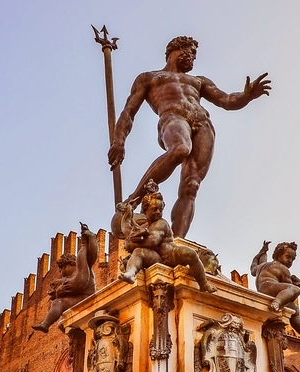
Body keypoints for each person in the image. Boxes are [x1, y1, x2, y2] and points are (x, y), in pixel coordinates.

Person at [107, 36, 271, 238]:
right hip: (172, 118)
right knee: (180, 149)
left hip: (203, 123)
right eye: (191, 51)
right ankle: (134, 199)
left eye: (195, 54)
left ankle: (176, 242)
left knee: (191, 185)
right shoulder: (149, 78)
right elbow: (128, 112)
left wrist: (247, 96)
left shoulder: (199, 82)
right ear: (177, 49)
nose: (193, 57)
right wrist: (119, 141)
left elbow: (227, 100)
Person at [112, 181, 215, 293]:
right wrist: (127, 214)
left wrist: (132, 242)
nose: (158, 212)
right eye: (154, 209)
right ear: (145, 210)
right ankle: (130, 273)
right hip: (158, 258)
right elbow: (127, 230)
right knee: (138, 252)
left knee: (190, 253)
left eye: (160, 209)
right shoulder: (145, 226)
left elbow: (152, 241)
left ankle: (203, 283)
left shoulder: (161, 223)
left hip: (172, 255)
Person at [32, 223, 98, 333]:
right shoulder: (67, 280)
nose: (60, 272)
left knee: (59, 303)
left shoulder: (84, 266)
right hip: (79, 300)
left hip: (88, 298)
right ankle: (45, 324)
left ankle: (45, 324)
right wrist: (58, 292)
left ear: (69, 264)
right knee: (58, 302)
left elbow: (93, 254)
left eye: (61, 269)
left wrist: (90, 237)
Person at [251, 241, 300, 345]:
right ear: (278, 255)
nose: (290, 261)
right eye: (288, 257)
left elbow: (253, 266)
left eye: (292, 259)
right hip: (271, 288)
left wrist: (262, 252)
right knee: (296, 290)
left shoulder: (262, 265)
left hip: (262, 289)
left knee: (294, 310)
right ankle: (277, 302)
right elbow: (290, 288)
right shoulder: (283, 268)